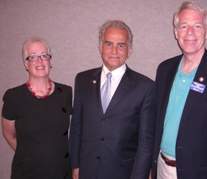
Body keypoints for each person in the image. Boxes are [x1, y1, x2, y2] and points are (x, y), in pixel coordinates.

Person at [151, 2, 207, 179]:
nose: (190, 32)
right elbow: (156, 122)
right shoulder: (164, 69)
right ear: (176, 32)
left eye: (197, 26)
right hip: (161, 167)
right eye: (184, 26)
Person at [69, 20, 157, 179]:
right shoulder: (82, 80)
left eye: (121, 45)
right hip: (87, 170)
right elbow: (76, 127)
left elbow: (146, 143)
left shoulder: (145, 87)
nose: (114, 50)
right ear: (100, 47)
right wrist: (75, 165)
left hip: (124, 172)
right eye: (109, 44)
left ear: (129, 50)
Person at [1, 37, 73, 179]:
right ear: (26, 64)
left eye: (44, 56)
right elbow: (9, 134)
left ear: (50, 61)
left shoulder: (65, 92)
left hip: (61, 171)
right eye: (33, 57)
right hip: (28, 172)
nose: (39, 61)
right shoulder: (14, 97)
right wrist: (30, 155)